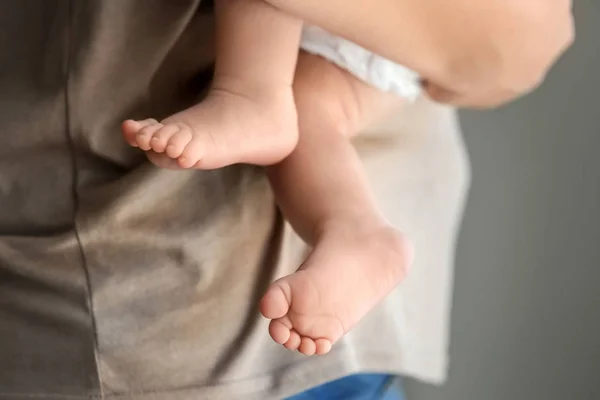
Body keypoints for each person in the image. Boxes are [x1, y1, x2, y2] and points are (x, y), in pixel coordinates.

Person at [0, 1, 573, 399]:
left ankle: (249, 93)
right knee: (316, 113)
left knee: (303, 108)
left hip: (178, 327)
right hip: (389, 63)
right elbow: (519, 44)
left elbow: (522, 42)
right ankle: (352, 226)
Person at [122, 0, 422, 355]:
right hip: (410, 33)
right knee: (307, 111)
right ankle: (355, 228)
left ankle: (249, 92)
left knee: (296, 105)